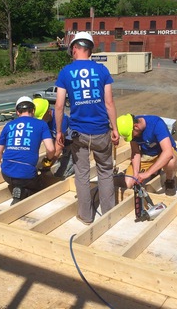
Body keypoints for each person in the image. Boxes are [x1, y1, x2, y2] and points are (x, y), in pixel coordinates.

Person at [54, 32, 120, 225]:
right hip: (101, 131)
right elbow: (109, 103)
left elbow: (59, 106)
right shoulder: (102, 70)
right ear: (90, 49)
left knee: (81, 173)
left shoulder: (66, 72)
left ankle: (86, 216)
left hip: (78, 132)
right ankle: (109, 214)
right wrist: (114, 128)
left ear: (75, 48)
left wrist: (59, 131)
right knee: (106, 171)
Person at [0, 96, 55, 205]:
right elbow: (51, 149)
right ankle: (24, 191)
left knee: (18, 176)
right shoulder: (41, 124)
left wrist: (5, 163)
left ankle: (17, 186)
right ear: (33, 110)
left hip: (6, 174)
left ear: (17, 112)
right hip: (27, 176)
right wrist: (47, 161)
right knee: (41, 184)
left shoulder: (8, 125)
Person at [117, 113, 177, 196]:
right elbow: (135, 152)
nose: (131, 137)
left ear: (136, 127)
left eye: (131, 135)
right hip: (147, 155)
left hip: (161, 153)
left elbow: (167, 153)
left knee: (171, 161)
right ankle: (155, 169)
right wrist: (136, 174)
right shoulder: (131, 127)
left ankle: (169, 180)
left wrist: (147, 173)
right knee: (128, 183)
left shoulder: (156, 124)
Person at [33, 97, 74, 178]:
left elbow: (59, 147)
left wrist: (46, 166)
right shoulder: (45, 121)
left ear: (48, 112)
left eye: (42, 117)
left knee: (60, 175)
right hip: (58, 143)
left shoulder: (61, 120)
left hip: (73, 145)